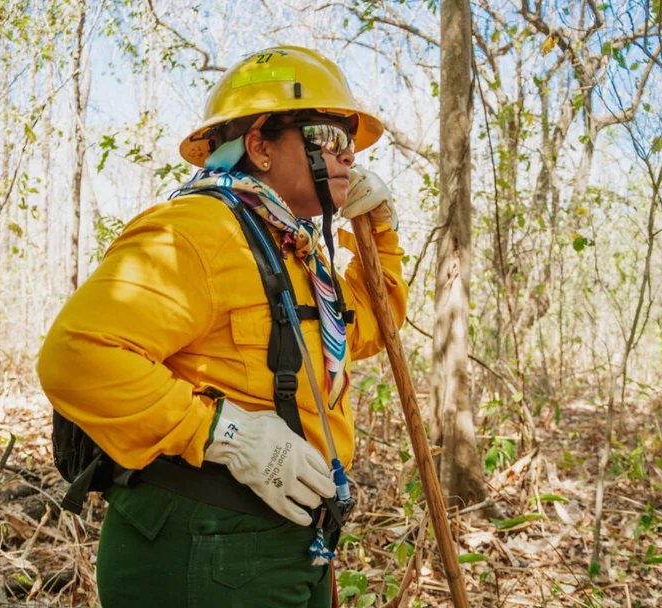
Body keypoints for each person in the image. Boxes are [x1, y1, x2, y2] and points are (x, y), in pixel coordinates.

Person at [37, 46, 409, 608]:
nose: (348, 156)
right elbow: (76, 356)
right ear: (260, 147)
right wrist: (227, 435)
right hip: (201, 545)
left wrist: (377, 229)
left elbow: (369, 330)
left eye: (350, 142)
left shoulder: (291, 244)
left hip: (291, 541)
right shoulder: (196, 229)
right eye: (327, 137)